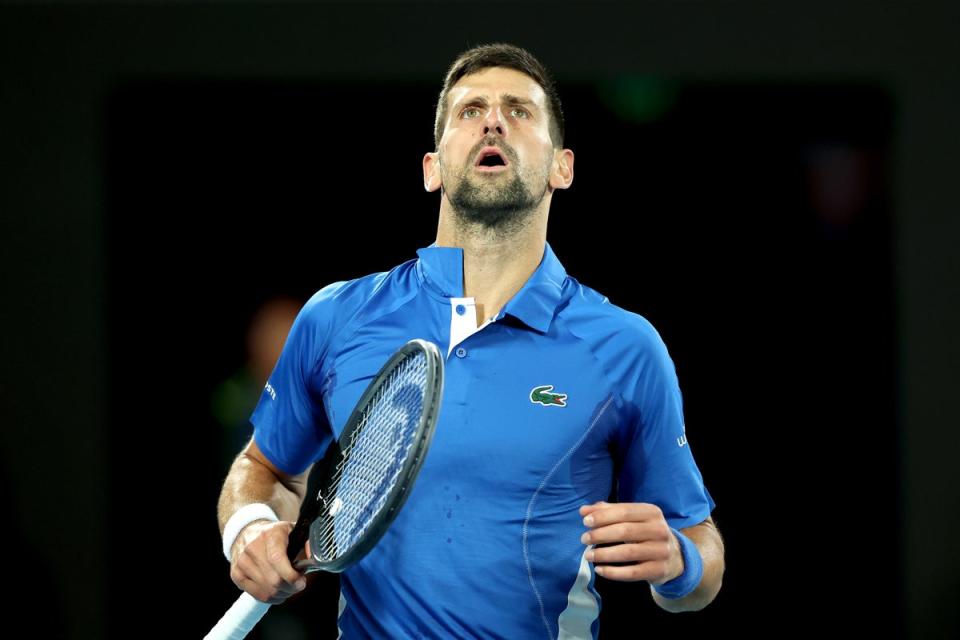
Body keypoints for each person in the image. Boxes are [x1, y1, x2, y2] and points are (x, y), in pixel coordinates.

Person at [216, 42, 724, 638]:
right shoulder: (338, 316)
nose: (493, 120)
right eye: (470, 110)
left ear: (563, 167)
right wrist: (249, 529)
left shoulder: (626, 348)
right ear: (432, 168)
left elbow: (700, 549)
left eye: (520, 110)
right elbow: (266, 467)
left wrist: (680, 562)